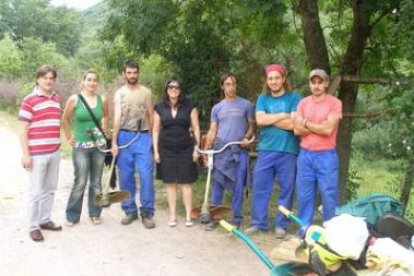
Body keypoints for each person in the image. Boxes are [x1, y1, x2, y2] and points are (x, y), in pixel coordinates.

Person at [245, 63, 301, 239]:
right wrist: (283, 115)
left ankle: (281, 225)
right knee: (261, 186)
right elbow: (260, 120)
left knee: (287, 188)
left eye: (277, 78)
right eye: (270, 78)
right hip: (266, 149)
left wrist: (270, 119)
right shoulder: (263, 98)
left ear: (283, 79)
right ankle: (258, 223)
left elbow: (294, 125)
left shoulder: (294, 98)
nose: (274, 81)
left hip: (288, 150)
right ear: (267, 81)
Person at [203, 72, 254, 230]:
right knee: (217, 185)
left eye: (233, 84)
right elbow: (212, 130)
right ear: (222, 86)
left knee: (238, 186)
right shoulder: (217, 108)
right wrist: (206, 151)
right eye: (227, 84)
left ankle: (236, 218)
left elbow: (251, 126)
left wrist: (246, 138)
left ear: (236, 85)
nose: (231, 87)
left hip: (238, 151)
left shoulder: (246, 105)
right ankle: (215, 217)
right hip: (220, 150)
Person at [294, 69, 342, 232]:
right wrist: (318, 126)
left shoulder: (335, 103)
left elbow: (328, 130)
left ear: (326, 83)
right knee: (304, 195)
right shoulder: (303, 103)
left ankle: (331, 233)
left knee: (329, 195)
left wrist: (306, 123)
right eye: (313, 82)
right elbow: (296, 130)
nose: (316, 85)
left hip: (326, 155)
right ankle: (304, 231)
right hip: (305, 155)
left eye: (320, 82)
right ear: (309, 84)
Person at [18, 65, 62, 242]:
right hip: (37, 153)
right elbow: (22, 130)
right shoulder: (29, 100)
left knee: (50, 189)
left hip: (55, 151)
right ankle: (33, 226)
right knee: (35, 191)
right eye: (45, 78)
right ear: (38, 79)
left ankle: (44, 219)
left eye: (51, 78)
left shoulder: (57, 98)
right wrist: (26, 155)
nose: (48, 81)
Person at [111, 60, 156, 229]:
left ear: (138, 73)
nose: (132, 75)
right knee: (126, 175)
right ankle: (130, 210)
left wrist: (152, 140)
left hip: (142, 136)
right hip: (124, 136)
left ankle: (147, 212)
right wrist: (114, 141)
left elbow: (151, 116)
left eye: (134, 72)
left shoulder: (145, 92)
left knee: (145, 175)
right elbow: (116, 118)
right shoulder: (119, 93)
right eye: (129, 73)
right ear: (124, 74)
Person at [62, 69, 109, 226]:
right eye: (89, 80)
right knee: (80, 181)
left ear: (98, 83)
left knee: (96, 182)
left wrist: (105, 130)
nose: (92, 83)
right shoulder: (75, 99)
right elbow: (65, 119)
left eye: (95, 80)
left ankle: (95, 213)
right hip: (81, 146)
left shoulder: (102, 99)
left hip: (99, 147)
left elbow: (106, 115)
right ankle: (72, 216)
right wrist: (69, 138)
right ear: (83, 82)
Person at [153, 77, 200, 227]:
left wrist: (197, 148)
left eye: (177, 87)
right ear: (166, 90)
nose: (174, 90)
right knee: (170, 183)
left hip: (186, 149)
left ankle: (188, 216)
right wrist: (156, 151)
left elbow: (197, 128)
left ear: (180, 90)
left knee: (186, 183)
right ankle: (172, 215)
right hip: (166, 149)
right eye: (171, 87)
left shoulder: (190, 106)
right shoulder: (159, 107)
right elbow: (155, 130)